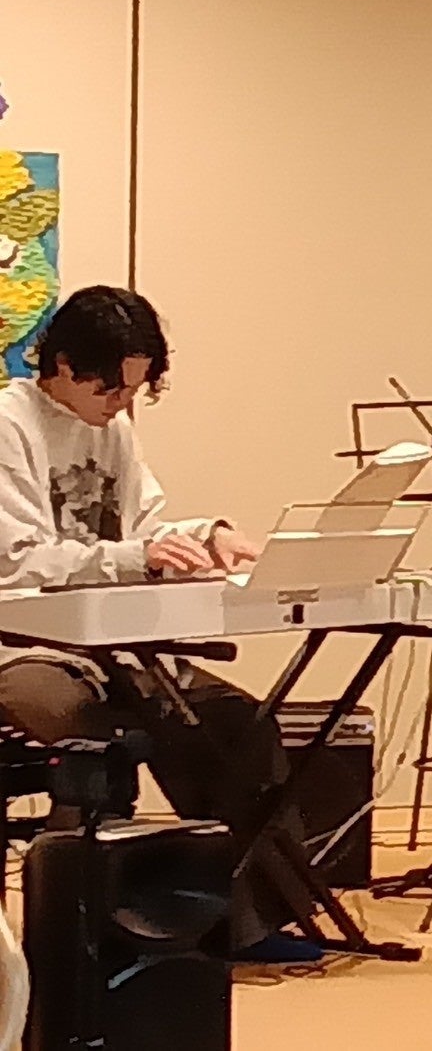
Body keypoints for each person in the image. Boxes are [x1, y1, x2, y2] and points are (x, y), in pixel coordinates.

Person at [0, 286, 319, 963]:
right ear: (62, 364)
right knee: (92, 736)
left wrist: (204, 536)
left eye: (133, 389)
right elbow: (19, 561)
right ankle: (82, 941)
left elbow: (144, 528)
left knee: (237, 725)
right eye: (110, 387)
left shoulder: (111, 429)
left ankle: (244, 924)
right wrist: (136, 557)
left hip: (112, 642)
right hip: (24, 646)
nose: (121, 404)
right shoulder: (9, 424)